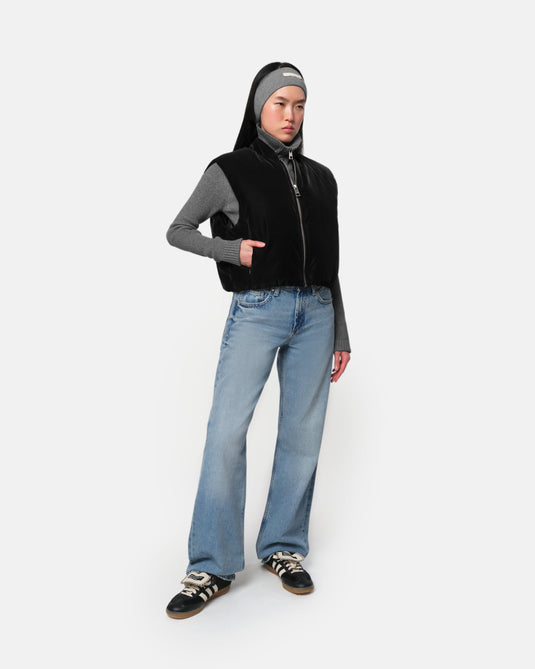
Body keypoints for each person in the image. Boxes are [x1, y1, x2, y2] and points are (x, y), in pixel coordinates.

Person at [164, 62, 351, 619]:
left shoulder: (322, 178)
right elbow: (179, 229)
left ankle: (284, 547)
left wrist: (341, 330)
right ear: (259, 107)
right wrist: (232, 250)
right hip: (258, 310)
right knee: (226, 433)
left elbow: (331, 261)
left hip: (316, 314)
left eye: (300, 105)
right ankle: (212, 564)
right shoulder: (230, 169)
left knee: (302, 434)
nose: (291, 115)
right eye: (280, 104)